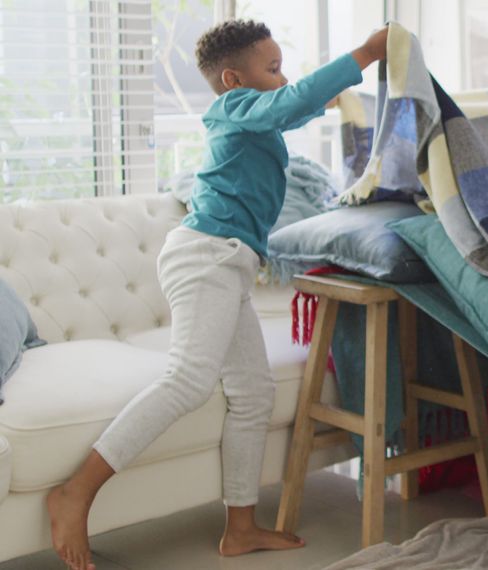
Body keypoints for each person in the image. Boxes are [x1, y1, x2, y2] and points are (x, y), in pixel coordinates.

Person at [46, 19, 389, 570]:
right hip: (204, 256)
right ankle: (76, 491)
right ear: (233, 79)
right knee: (187, 377)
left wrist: (345, 94)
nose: (282, 80)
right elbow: (289, 104)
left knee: (252, 392)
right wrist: (366, 53)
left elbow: (295, 107)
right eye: (272, 69)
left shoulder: (256, 120)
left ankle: (241, 528)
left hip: (227, 264)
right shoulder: (231, 111)